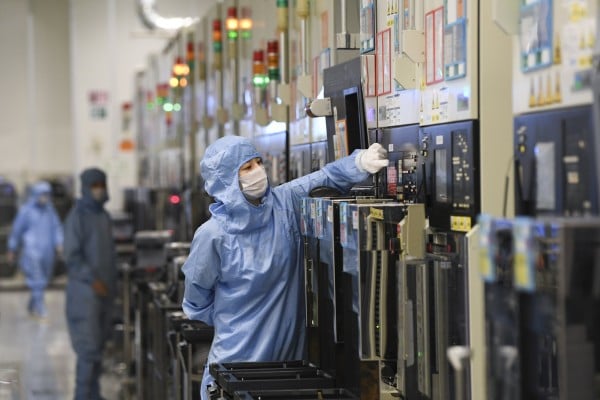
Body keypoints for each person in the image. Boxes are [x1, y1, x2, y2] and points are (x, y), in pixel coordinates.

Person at [181, 135, 388, 399]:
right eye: (246, 168)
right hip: (235, 368)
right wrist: (238, 319)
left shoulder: (285, 204)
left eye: (258, 162)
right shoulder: (212, 235)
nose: (257, 171)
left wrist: (359, 161)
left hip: (287, 371)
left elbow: (326, 178)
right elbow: (195, 304)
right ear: (225, 178)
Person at [63, 167, 117, 400]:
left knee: (98, 352)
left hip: (104, 294)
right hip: (85, 295)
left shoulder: (103, 216)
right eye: (94, 185)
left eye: (101, 184)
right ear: (85, 187)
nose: (99, 190)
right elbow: (72, 256)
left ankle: (94, 396)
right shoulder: (78, 217)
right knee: (88, 351)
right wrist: (92, 280)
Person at [7, 181, 64, 319]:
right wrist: (12, 248)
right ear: (36, 194)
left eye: (47, 194)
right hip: (32, 251)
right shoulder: (26, 211)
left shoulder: (50, 210)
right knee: (37, 280)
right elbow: (17, 230)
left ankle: (32, 305)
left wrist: (59, 242)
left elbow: (56, 227)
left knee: (43, 280)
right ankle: (40, 309)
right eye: (42, 194)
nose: (45, 197)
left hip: (48, 252)